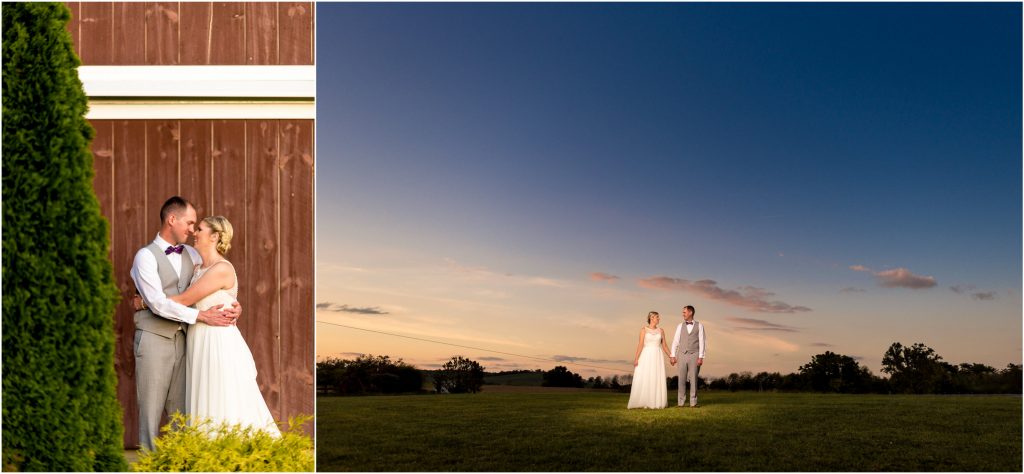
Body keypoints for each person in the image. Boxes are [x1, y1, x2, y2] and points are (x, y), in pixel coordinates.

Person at [130, 196, 240, 451]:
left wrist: (232, 303)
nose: (192, 230)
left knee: (182, 406)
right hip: (154, 337)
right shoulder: (144, 257)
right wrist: (200, 316)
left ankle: (179, 458)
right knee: (150, 404)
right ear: (172, 220)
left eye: (195, 226)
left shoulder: (192, 254)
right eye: (189, 223)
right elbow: (157, 303)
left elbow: (212, 286)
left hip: (187, 340)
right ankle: (150, 459)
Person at [167, 215, 280, 436]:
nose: (194, 233)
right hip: (198, 340)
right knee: (203, 395)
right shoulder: (198, 267)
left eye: (199, 229)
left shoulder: (221, 269)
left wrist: (145, 302)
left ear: (215, 236)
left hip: (217, 342)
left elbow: (184, 300)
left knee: (220, 395)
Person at [626, 311, 672, 409]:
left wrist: (671, 356)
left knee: (656, 376)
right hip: (646, 355)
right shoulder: (644, 330)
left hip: (657, 356)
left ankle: (656, 401)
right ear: (651, 318)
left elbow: (664, 345)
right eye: (657, 317)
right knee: (646, 376)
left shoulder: (661, 331)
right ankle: (644, 400)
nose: (659, 319)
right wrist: (636, 358)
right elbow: (640, 344)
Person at [669, 305, 706, 407]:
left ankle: (693, 403)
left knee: (693, 379)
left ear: (690, 312)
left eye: (684, 312)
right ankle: (681, 403)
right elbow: (675, 341)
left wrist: (701, 357)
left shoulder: (700, 326)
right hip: (681, 354)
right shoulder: (680, 326)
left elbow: (702, 342)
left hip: (695, 354)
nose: (683, 314)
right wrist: (672, 355)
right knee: (681, 379)